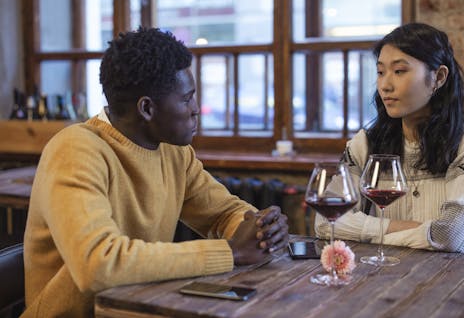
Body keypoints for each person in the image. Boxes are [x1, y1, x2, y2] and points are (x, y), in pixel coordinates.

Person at [22, 27, 289, 317]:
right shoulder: (76, 150)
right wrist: (232, 252)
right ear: (147, 108)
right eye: (187, 99)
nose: (196, 109)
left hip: (139, 307)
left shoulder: (173, 150)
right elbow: (97, 263)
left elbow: (223, 213)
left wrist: (260, 228)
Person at [315, 22, 464, 253]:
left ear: (439, 77)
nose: (385, 85)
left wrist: (372, 234)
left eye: (399, 71)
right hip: (384, 277)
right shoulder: (364, 144)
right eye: (380, 72)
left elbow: (450, 235)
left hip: (455, 279)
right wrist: (413, 229)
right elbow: (325, 222)